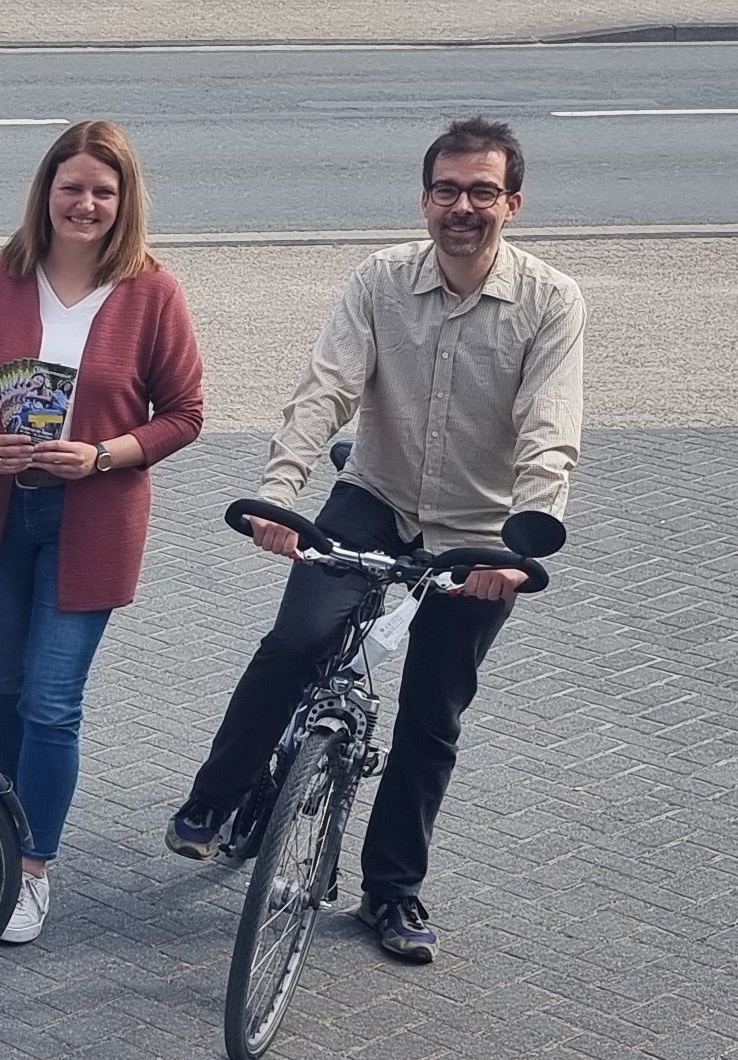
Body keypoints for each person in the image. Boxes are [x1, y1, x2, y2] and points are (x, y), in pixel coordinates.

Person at [163, 118, 581, 965]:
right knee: (297, 637)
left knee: (434, 712)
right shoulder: (381, 279)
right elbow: (323, 392)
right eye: (446, 190)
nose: (462, 207)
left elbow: (550, 429)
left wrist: (523, 541)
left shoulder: (551, 301)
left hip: (480, 528)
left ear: (514, 203)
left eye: (482, 192)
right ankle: (217, 798)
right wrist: (280, 497)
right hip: (375, 495)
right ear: (425, 198)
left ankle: (392, 891)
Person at [0, 119, 203, 945]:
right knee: (3, 683)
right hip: (1, 510)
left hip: (92, 516)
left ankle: (33, 866)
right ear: (46, 192)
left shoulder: (153, 292)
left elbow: (185, 414)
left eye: (103, 192)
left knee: (51, 700)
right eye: (72, 187)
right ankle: (2, 832)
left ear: (125, 203)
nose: (85, 204)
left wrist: (105, 454)